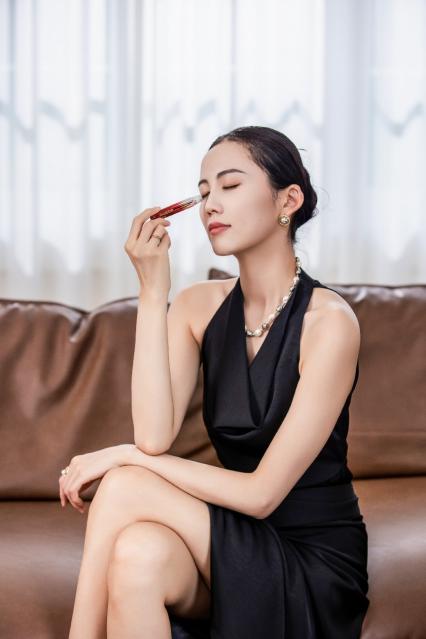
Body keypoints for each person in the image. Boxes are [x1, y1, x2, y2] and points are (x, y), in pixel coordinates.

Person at [60, 125, 370, 638]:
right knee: (137, 554)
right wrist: (152, 289)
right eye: (203, 193)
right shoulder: (195, 306)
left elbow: (261, 495)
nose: (210, 206)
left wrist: (126, 458)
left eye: (230, 185)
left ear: (288, 200)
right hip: (234, 538)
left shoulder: (329, 323)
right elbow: (153, 437)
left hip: (312, 560)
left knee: (124, 483)